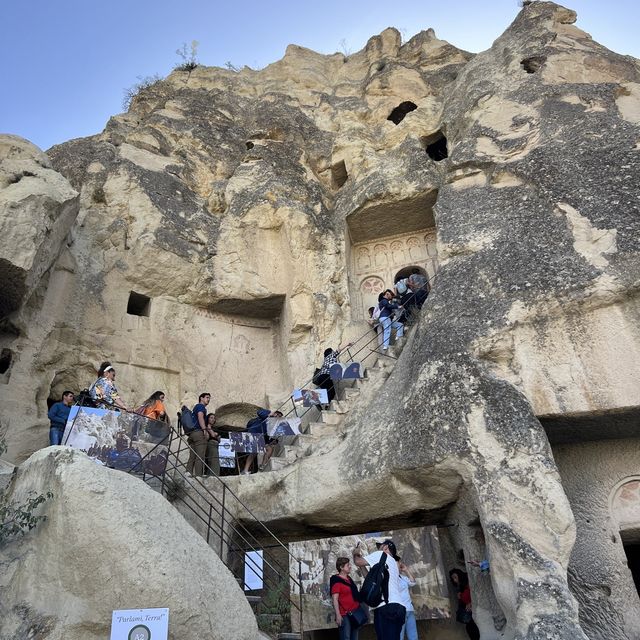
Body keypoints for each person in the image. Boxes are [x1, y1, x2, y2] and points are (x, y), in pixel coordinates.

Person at [353, 539, 406, 640]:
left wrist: (355, 554)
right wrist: (362, 567)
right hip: (399, 607)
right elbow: (371, 579)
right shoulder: (394, 564)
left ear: (386, 547)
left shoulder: (381, 554)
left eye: (380, 546)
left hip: (386, 607)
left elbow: (358, 562)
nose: (379, 549)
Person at [241, 408, 283, 475]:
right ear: (275, 413)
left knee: (269, 449)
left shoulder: (272, 424)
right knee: (254, 452)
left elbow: (266, 434)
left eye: (280, 417)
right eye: (278, 415)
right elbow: (259, 412)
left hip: (260, 437)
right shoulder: (267, 413)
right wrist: (270, 414)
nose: (278, 417)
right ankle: (245, 470)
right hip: (254, 433)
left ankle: (262, 466)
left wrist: (271, 441)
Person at [330, 557, 362, 640]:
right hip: (344, 614)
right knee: (346, 637)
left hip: (354, 613)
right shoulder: (336, 581)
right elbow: (335, 599)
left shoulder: (349, 579)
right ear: (341, 567)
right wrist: (338, 615)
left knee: (355, 637)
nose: (350, 566)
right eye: (348, 565)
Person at [449, 569, 480, 640]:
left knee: (473, 628)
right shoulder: (460, 587)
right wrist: (460, 597)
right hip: (469, 613)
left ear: (460, 575)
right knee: (470, 628)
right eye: (453, 578)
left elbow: (477, 594)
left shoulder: (469, 582)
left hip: (476, 611)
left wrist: (471, 603)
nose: (454, 580)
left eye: (455, 577)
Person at [186, 392, 211, 478]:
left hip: (192, 434)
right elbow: (200, 417)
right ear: (201, 398)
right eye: (207, 397)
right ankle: (198, 475)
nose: (208, 400)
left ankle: (188, 472)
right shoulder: (201, 406)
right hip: (198, 433)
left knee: (192, 455)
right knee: (200, 455)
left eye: (209, 398)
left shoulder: (196, 407)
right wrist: (204, 430)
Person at [397, 561, 418, 640]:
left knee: (413, 636)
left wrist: (406, 570)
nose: (400, 564)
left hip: (409, 609)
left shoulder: (403, 577)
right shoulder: (390, 579)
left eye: (399, 563)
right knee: (399, 636)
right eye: (397, 563)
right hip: (399, 611)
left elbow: (413, 582)